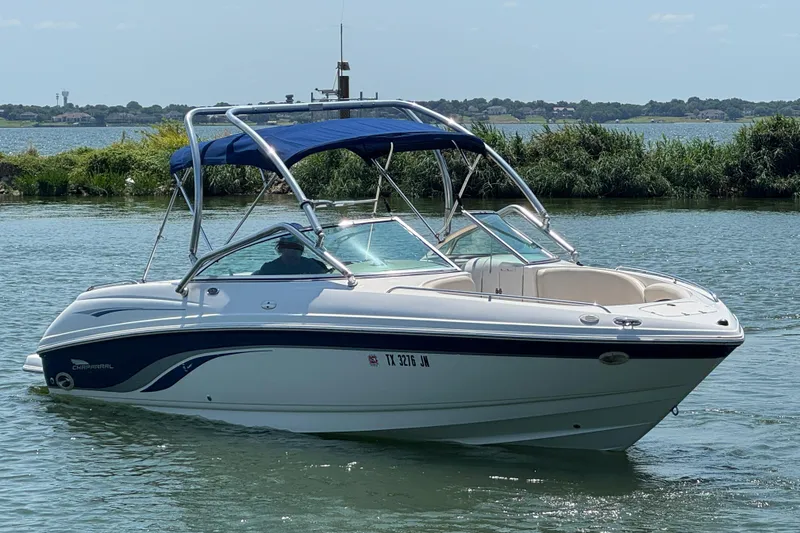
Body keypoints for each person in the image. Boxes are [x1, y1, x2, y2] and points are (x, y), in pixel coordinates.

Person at [252, 235, 330, 276]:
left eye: (297, 246)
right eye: (289, 246)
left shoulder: (315, 266)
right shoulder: (269, 269)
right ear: (280, 248)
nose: (293, 250)